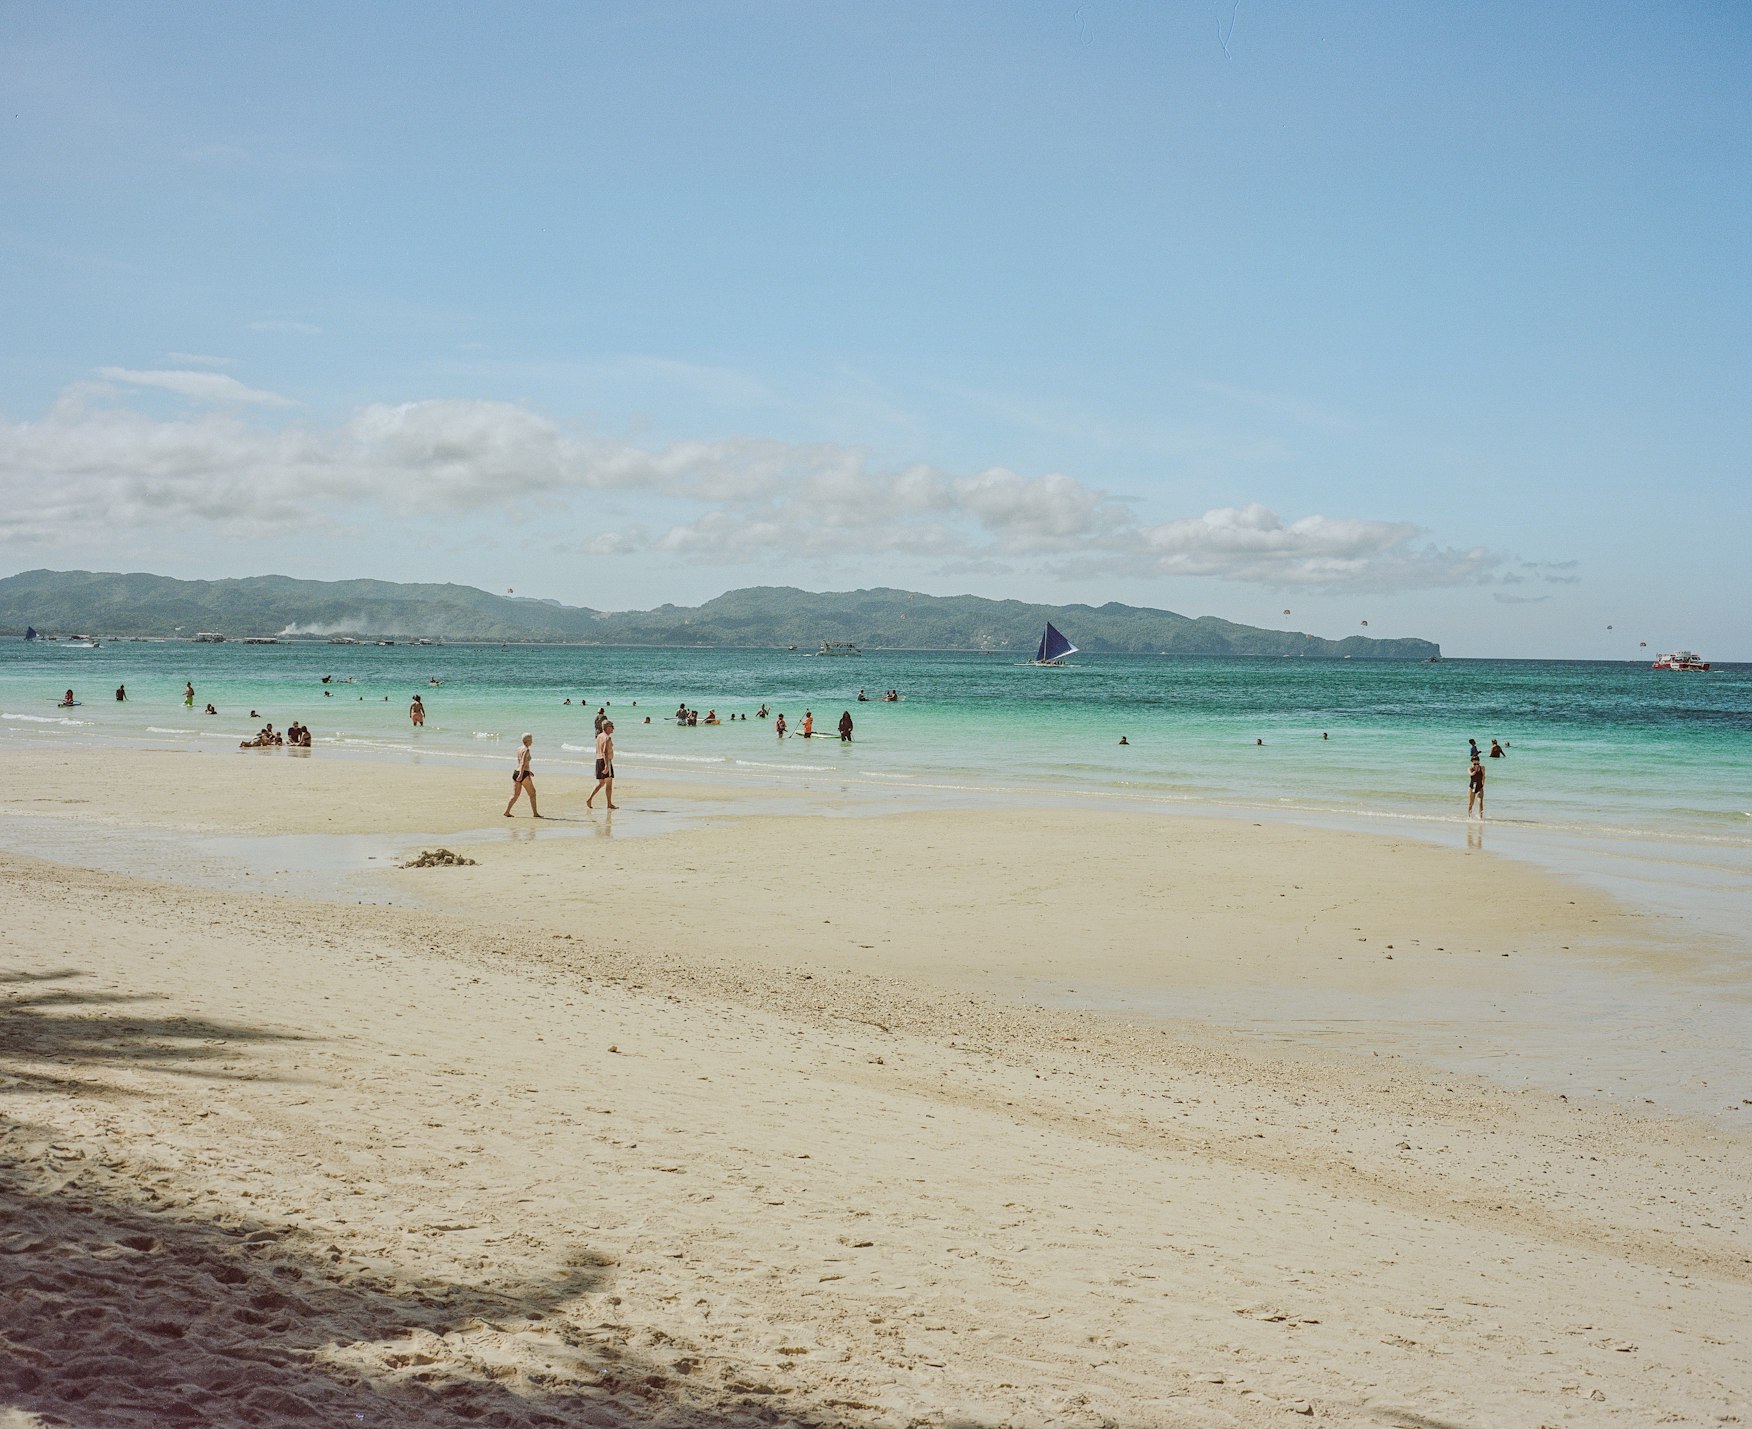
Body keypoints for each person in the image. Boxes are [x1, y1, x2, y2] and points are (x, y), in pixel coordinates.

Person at [504, 734, 542, 818]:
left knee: (515, 795)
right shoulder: (526, 750)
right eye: (531, 740)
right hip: (522, 774)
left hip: (516, 772)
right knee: (533, 794)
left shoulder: (519, 749)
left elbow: (520, 761)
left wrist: (528, 771)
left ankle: (507, 811)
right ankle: (535, 813)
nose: (532, 741)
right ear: (528, 740)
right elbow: (523, 763)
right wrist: (522, 774)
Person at [588, 720, 617, 809]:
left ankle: (589, 799)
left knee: (601, 783)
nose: (613, 728)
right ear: (607, 727)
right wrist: (606, 765)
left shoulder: (599, 736)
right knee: (609, 783)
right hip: (605, 761)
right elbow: (604, 752)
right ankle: (609, 804)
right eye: (612, 726)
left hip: (598, 760)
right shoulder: (607, 738)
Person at [1467, 754, 1486, 820]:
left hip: (1479, 787)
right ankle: (1469, 817)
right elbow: (1470, 773)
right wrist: (1472, 773)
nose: (1476, 765)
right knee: (1470, 803)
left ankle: (1481, 818)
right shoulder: (1470, 768)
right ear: (1472, 763)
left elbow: (1484, 776)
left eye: (1478, 763)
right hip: (1472, 787)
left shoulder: (1482, 768)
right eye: (1474, 764)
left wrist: (1483, 784)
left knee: (1480, 802)